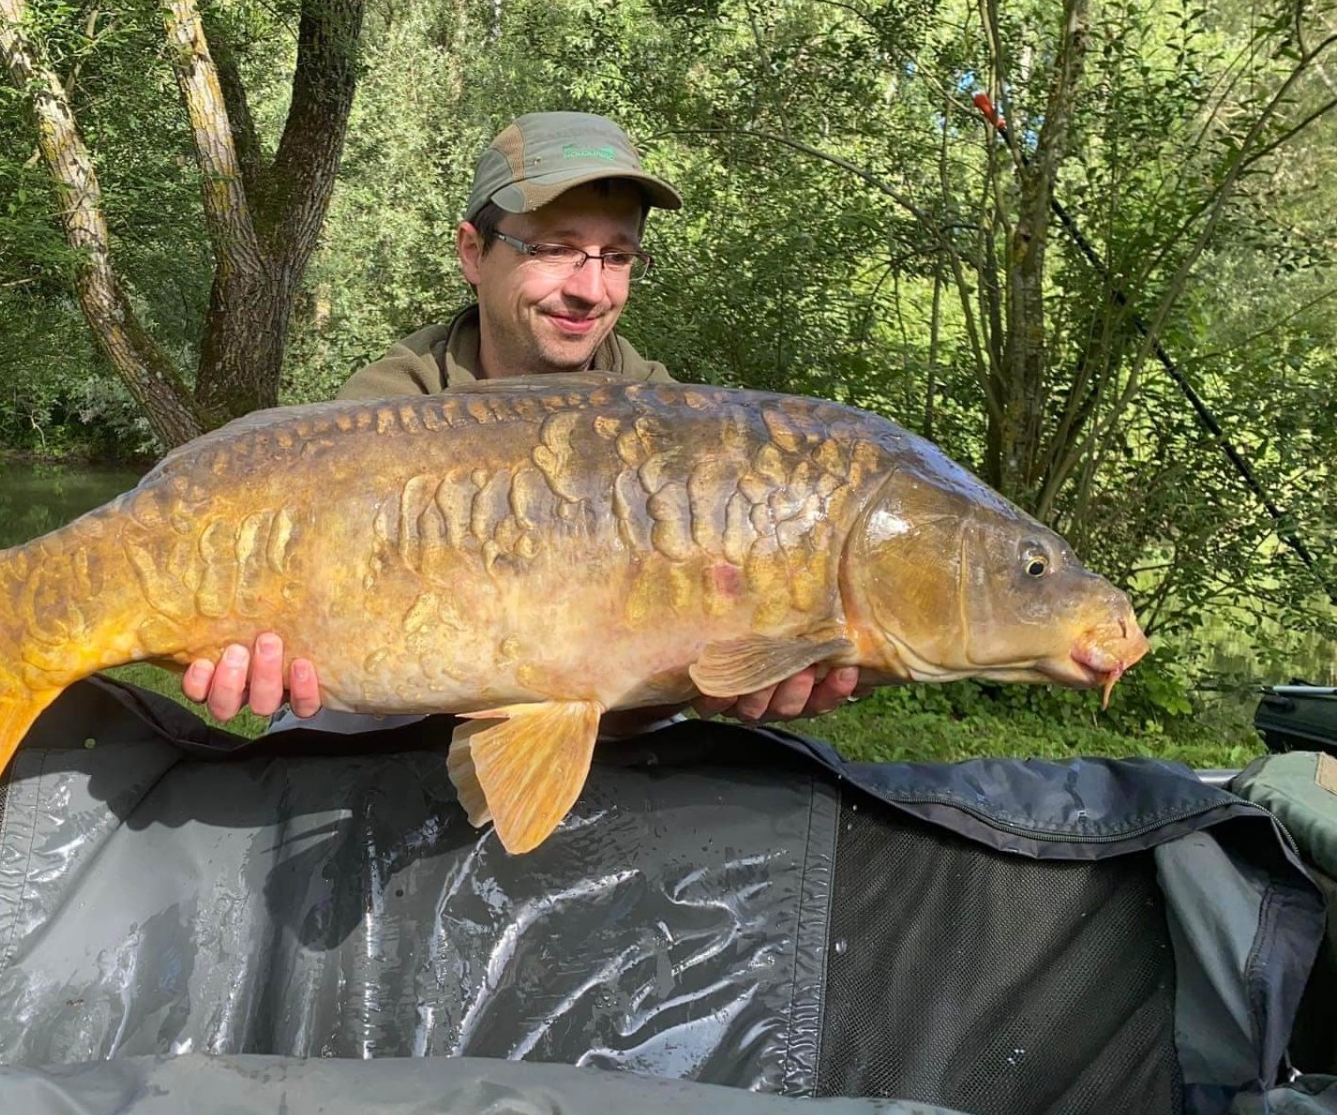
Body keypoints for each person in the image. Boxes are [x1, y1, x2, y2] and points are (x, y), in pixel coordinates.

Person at [180, 110, 862, 730]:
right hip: (394, 707)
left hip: (587, 717)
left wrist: (772, 663)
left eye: (616, 256)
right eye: (554, 249)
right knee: (314, 724)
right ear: (474, 252)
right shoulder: (389, 406)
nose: (589, 289)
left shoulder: (668, 427)